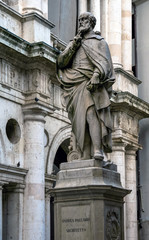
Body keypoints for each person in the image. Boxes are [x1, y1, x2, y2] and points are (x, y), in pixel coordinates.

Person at [57, 12, 115, 160]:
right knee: (79, 121)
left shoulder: (99, 42)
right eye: (80, 19)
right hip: (74, 84)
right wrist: (75, 43)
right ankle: (84, 153)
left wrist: (96, 75)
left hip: (91, 84)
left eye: (85, 19)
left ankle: (97, 150)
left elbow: (105, 64)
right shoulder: (74, 42)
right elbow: (61, 62)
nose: (82, 22)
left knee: (91, 113)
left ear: (91, 22)